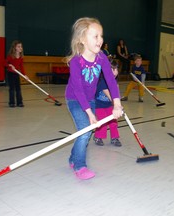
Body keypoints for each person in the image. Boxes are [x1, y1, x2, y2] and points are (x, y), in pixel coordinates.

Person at [65, 17, 123, 180]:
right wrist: (90, 114)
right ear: (83, 39)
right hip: (75, 99)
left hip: (89, 99)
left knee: (86, 132)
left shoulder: (101, 57)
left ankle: (73, 157)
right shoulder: (76, 62)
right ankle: (80, 166)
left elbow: (111, 80)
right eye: (95, 36)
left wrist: (116, 103)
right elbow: (78, 90)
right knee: (85, 130)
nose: (100, 40)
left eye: (101, 36)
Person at [93, 59, 122, 147]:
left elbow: (116, 95)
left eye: (116, 69)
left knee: (113, 122)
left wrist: (119, 104)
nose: (114, 72)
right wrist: (118, 106)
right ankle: (98, 137)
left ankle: (114, 138)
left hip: (109, 105)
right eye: (112, 69)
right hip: (99, 105)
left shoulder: (114, 82)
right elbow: (110, 96)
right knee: (102, 122)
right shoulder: (103, 81)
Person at [5, 40, 26, 108]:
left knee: (18, 88)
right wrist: (10, 65)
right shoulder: (10, 56)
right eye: (19, 46)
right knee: (12, 89)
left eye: (21, 46)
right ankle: (11, 102)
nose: (21, 48)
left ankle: (19, 102)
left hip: (16, 73)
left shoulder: (21, 57)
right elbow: (4, 63)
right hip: (10, 73)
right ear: (15, 48)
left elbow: (21, 66)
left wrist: (24, 75)